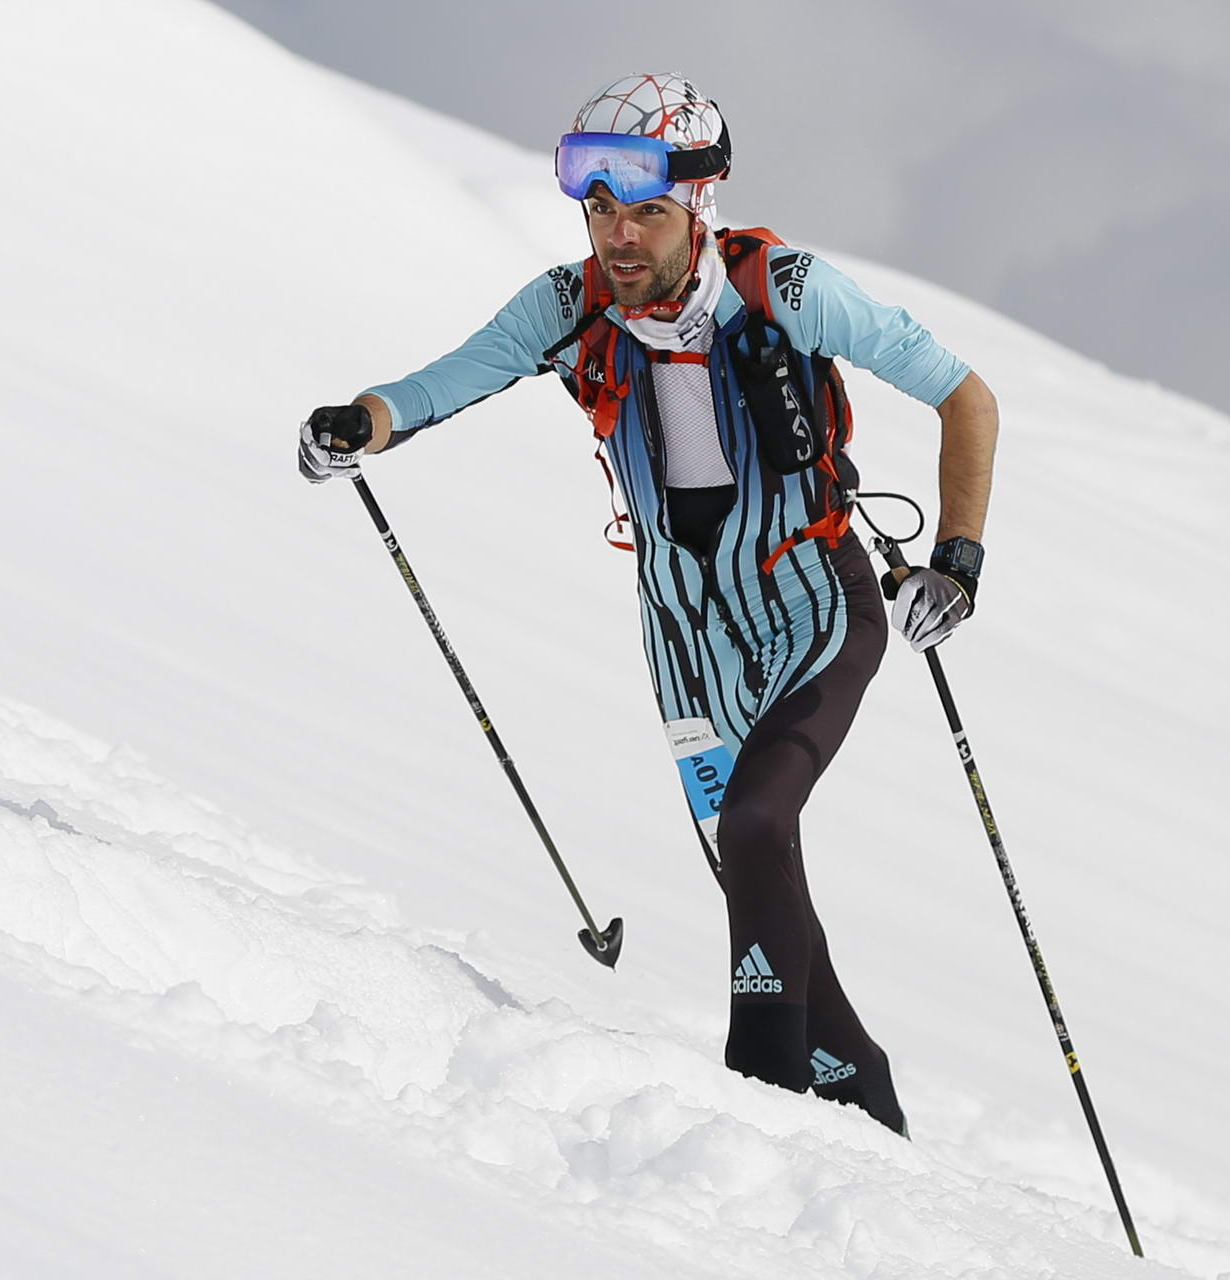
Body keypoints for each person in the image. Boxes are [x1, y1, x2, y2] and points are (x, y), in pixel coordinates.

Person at [298, 73, 998, 1135]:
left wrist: (956, 559)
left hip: (815, 602)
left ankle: (758, 1116)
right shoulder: (569, 306)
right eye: (600, 210)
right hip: (682, 637)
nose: (619, 236)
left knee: (760, 820)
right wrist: (362, 421)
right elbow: (448, 378)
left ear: (699, 204)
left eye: (647, 212)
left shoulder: (788, 290)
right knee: (758, 886)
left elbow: (966, 394)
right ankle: (875, 1138)